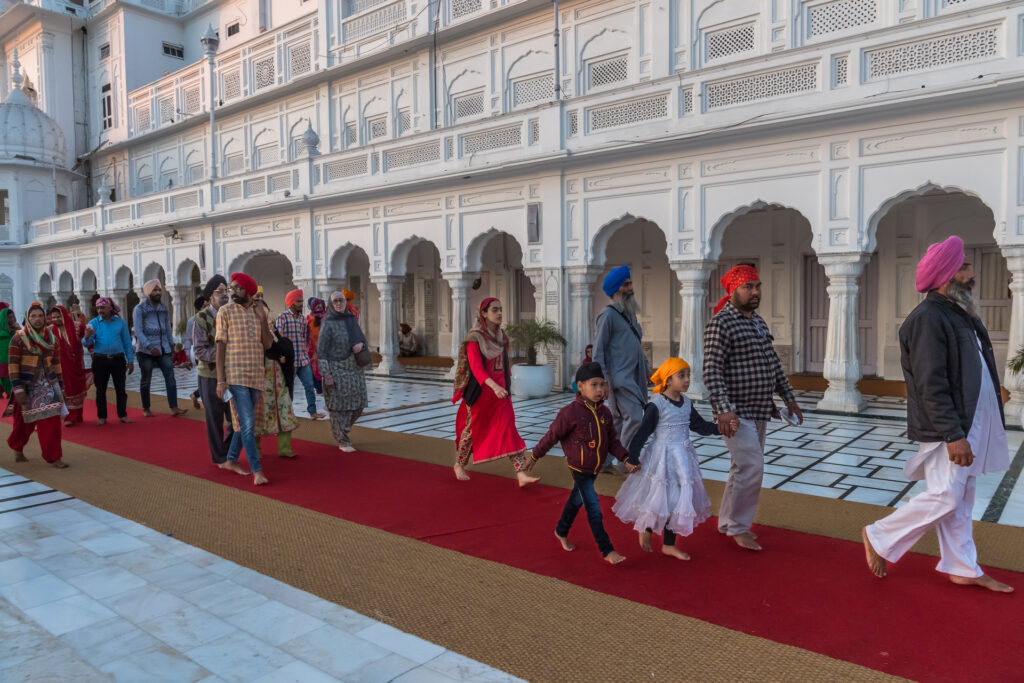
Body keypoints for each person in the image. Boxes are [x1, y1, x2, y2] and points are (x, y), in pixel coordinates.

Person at [863, 236, 1013, 593]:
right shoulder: (928, 319)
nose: (972, 273)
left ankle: (962, 567)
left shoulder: (960, 314)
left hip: (970, 421)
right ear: (947, 275)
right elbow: (931, 384)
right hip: (951, 427)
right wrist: (953, 434)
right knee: (946, 496)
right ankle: (879, 534)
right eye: (965, 267)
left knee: (962, 497)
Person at [703, 264, 803, 551]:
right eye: (748, 287)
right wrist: (724, 410)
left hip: (760, 411)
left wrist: (789, 398)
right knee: (752, 466)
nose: (755, 292)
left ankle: (726, 522)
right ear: (733, 290)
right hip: (735, 413)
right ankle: (739, 527)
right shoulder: (721, 323)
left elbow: (773, 365)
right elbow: (711, 370)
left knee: (741, 467)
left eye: (757, 286)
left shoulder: (758, 322)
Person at [613, 358, 725, 561]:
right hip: (661, 459)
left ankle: (669, 545)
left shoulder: (687, 403)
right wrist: (633, 457)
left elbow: (700, 426)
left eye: (688, 375)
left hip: (683, 461)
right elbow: (642, 433)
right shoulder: (657, 405)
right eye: (681, 376)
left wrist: (721, 428)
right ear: (668, 380)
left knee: (677, 500)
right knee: (658, 497)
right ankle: (646, 528)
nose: (687, 379)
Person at [530, 362, 635, 563]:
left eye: (602, 385)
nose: (599, 390)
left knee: (576, 500)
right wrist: (535, 455)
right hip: (578, 467)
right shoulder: (569, 413)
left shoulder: (605, 413)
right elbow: (552, 436)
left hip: (595, 468)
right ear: (580, 386)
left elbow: (612, 441)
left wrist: (625, 458)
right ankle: (607, 550)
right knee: (593, 508)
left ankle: (561, 530)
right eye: (594, 385)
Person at [452, 297, 539, 486]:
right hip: (482, 393)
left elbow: (504, 364)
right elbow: (477, 369)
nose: (499, 313)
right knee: (472, 431)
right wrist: (494, 387)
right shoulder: (474, 339)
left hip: (501, 394)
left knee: (509, 427)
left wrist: (506, 384)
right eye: (495, 310)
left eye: (501, 309)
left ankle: (521, 474)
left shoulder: (501, 336)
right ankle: (459, 464)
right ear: (484, 313)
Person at [216, 272, 273, 485]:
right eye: (232, 288)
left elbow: (268, 344)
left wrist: (262, 319)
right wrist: (221, 380)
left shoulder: (260, 313)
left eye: (238, 288)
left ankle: (231, 460)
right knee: (248, 424)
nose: (233, 292)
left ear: (249, 291)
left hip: (256, 375)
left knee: (243, 423)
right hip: (235, 376)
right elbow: (220, 346)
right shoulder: (225, 311)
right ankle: (257, 471)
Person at [593, 265, 650, 471]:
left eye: (630, 283)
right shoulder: (607, 315)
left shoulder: (630, 314)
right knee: (635, 418)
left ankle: (604, 462)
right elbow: (598, 352)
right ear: (616, 289)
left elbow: (636, 346)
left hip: (634, 377)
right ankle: (624, 461)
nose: (630, 288)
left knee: (617, 422)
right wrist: (602, 382)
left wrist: (646, 368)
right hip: (619, 379)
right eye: (626, 284)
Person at [7, 303, 68, 468]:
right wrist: (17, 388)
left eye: (40, 316)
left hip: (48, 384)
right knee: (24, 423)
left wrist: (61, 387)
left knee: (52, 422)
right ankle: (18, 447)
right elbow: (13, 365)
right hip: (26, 385)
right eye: (33, 316)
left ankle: (54, 456)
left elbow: (56, 364)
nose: (37, 319)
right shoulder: (18, 339)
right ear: (27, 318)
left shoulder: (52, 339)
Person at [318, 291, 368, 452]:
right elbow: (321, 351)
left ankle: (342, 430)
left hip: (355, 369)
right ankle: (342, 439)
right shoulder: (327, 323)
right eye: (335, 301)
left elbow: (362, 339)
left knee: (359, 404)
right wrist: (326, 374)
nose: (339, 303)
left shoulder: (350, 319)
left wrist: (361, 345)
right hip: (336, 369)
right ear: (330, 304)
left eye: (342, 300)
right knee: (338, 408)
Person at [192, 275, 233, 465]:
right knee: (215, 418)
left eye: (226, 291)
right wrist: (223, 354)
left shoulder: (231, 314)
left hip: (231, 376)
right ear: (210, 296)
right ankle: (219, 457)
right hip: (210, 377)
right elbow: (199, 351)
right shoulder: (201, 318)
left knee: (235, 417)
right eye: (220, 291)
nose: (225, 294)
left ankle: (227, 451)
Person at [133, 279, 187, 418]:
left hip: (163, 349)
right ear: (148, 293)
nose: (158, 293)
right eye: (154, 290)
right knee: (146, 380)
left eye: (159, 290)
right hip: (146, 351)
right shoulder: (140, 309)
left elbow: (167, 328)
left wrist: (171, 345)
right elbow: (138, 331)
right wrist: (150, 347)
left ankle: (174, 407)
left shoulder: (163, 309)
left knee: (170, 377)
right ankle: (146, 408)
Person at [256, 300, 300, 459]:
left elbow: (283, 349)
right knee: (259, 415)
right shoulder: (252, 331)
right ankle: (256, 451)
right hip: (261, 381)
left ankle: (285, 448)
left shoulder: (273, 331)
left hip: (279, 380)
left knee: (284, 412)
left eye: (266, 312)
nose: (266, 316)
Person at [83, 297, 134, 425]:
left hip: (118, 359)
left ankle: (122, 415)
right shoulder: (93, 323)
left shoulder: (120, 323)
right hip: (100, 360)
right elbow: (86, 343)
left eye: (103, 307)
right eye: (98, 308)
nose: (100, 310)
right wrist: (87, 336)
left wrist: (130, 360)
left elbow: (127, 343)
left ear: (110, 307)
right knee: (100, 390)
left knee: (120, 389)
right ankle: (102, 416)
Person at [276, 288, 324, 419]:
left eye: (302, 301)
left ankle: (313, 412)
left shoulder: (303, 319)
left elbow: (304, 338)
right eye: (298, 301)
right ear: (291, 303)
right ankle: (286, 416)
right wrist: (281, 356)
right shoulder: (282, 317)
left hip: (303, 359)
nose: (301, 304)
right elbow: (279, 339)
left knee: (309, 386)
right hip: (290, 361)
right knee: (288, 389)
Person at [49, 306, 89, 427]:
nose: (56, 319)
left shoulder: (76, 326)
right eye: (53, 317)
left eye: (58, 316)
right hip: (59, 366)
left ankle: (77, 415)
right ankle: (69, 417)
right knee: (65, 390)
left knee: (77, 389)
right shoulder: (50, 330)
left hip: (75, 365)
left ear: (64, 315)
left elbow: (87, 340)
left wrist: (88, 337)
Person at [186, 296, 206, 408]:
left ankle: (196, 394)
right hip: (200, 353)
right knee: (207, 378)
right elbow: (188, 339)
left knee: (206, 378)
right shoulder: (193, 320)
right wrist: (187, 355)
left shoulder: (214, 317)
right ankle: (198, 395)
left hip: (202, 352)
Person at [0, 304, 19, 414]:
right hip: (1, 359)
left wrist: (18, 330)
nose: (12, 319)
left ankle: (9, 394)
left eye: (13, 317)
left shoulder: (15, 330)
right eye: (9, 317)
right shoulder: (1, 331)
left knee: (9, 377)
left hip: (12, 359)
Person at [306, 297, 326, 395]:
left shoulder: (309, 319)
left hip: (312, 352)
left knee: (314, 371)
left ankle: (319, 390)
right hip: (327, 351)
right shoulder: (328, 317)